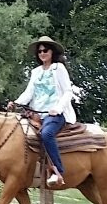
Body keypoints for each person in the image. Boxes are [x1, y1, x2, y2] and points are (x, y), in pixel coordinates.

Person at [6, 35, 76, 186]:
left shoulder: (59, 68)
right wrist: (16, 102)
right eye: (40, 51)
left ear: (52, 52)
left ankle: (57, 171)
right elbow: (29, 92)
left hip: (56, 114)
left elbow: (68, 92)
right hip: (36, 114)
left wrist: (57, 109)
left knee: (46, 134)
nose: (42, 53)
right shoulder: (36, 72)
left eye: (45, 50)